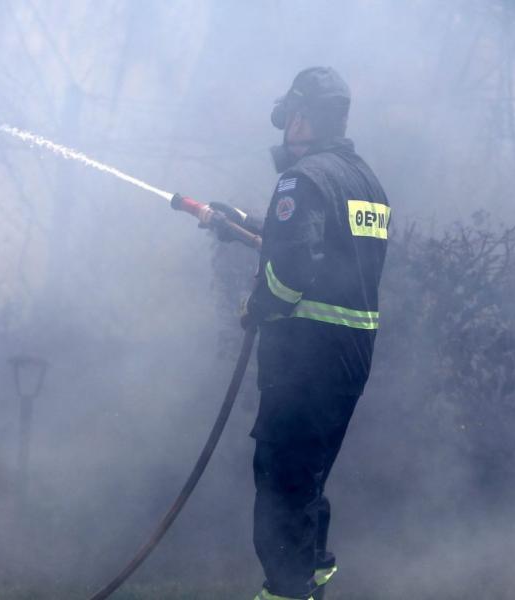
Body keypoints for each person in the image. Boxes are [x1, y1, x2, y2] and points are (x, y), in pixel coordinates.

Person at [206, 67, 390, 600]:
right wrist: (238, 221)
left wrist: (257, 305)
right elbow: (320, 245)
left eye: (291, 114)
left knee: (281, 478)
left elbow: (292, 271)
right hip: (349, 358)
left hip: (305, 358)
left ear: (304, 116)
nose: (286, 125)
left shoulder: (302, 178)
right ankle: (313, 579)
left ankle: (288, 591)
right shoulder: (364, 181)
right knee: (307, 476)